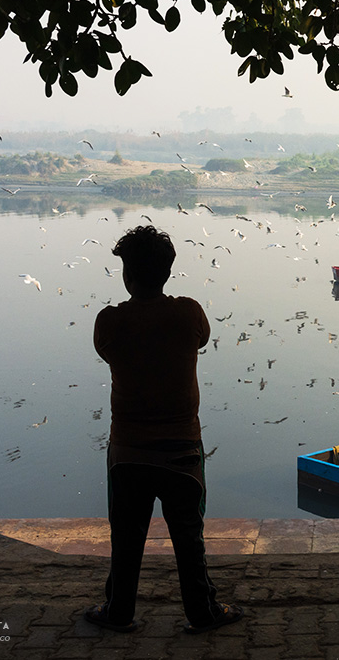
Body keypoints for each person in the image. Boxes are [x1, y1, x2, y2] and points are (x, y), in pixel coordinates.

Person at [85, 225, 243, 635]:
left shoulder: (110, 322)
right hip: (183, 451)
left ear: (127, 275)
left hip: (129, 452)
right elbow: (202, 338)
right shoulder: (188, 313)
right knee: (189, 538)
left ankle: (119, 612)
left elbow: (106, 350)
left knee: (126, 537)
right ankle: (203, 612)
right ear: (168, 272)